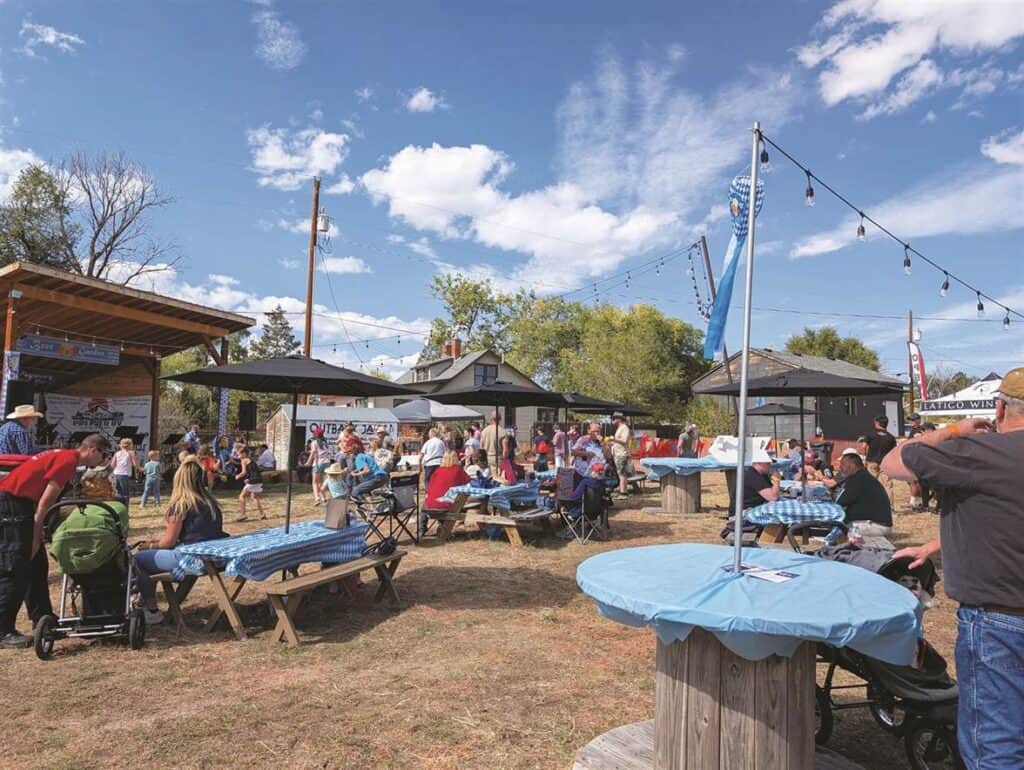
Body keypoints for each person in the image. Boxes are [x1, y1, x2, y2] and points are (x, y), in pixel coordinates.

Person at [881, 367, 1024, 769]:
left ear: (999, 408)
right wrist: (940, 542)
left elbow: (892, 463)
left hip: (1001, 622)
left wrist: (951, 430)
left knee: (996, 744)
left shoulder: (980, 453)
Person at [0, 433, 110, 649]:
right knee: (17, 566)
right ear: (93, 450)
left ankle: (43, 618)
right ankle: (3, 631)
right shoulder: (68, 461)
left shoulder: (65, 456)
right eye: (103, 456)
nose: (103, 461)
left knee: (36, 565)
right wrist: (36, 533)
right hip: (12, 503)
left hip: (20, 503)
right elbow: (45, 503)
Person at [133, 456, 227, 625]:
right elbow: (197, 533)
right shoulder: (211, 503)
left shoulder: (181, 505)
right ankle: (144, 600)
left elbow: (168, 543)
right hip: (212, 556)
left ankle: (151, 608)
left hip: (190, 559)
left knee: (139, 560)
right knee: (152, 556)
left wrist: (150, 545)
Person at [833, 452, 892, 536]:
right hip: (875, 524)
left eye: (843, 464)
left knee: (836, 528)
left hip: (876, 526)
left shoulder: (858, 480)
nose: (840, 467)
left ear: (852, 465)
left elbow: (839, 503)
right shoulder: (862, 476)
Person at [423, 451, 471, 527]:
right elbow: (468, 481)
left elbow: (429, 488)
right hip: (447, 504)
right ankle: (445, 526)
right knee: (461, 499)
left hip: (431, 505)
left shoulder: (437, 471)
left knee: (426, 501)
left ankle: (421, 528)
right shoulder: (458, 470)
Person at [858, 415, 897, 507]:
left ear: (877, 423)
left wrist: (864, 458)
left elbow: (863, 447)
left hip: (872, 462)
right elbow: (894, 452)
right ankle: (890, 508)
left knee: (870, 485)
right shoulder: (891, 437)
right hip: (885, 464)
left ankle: (869, 506)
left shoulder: (871, 434)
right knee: (887, 486)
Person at [234, 446, 266, 521]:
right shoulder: (251, 460)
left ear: (244, 454)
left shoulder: (244, 460)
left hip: (253, 480)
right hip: (259, 480)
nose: (238, 456)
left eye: (239, 454)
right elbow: (253, 471)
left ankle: (243, 514)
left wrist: (238, 476)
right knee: (254, 497)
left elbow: (244, 472)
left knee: (241, 496)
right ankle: (262, 514)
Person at [112, 438, 142, 504]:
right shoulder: (131, 453)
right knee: (125, 494)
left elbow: (112, 465)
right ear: (130, 445)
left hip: (115, 474)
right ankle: (125, 509)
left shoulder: (117, 453)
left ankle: (118, 508)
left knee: (118, 493)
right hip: (124, 475)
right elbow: (135, 464)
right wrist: (141, 469)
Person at [306, 427, 331, 506]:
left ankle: (317, 498)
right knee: (321, 481)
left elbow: (313, 453)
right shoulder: (325, 441)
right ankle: (324, 498)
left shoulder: (314, 442)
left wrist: (308, 462)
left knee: (315, 482)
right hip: (326, 462)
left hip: (318, 463)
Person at [610, 413, 632, 497]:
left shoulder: (624, 428)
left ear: (619, 419)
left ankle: (623, 493)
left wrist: (613, 438)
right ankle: (623, 491)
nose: (612, 421)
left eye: (614, 419)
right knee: (621, 473)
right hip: (617, 453)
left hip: (621, 454)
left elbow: (624, 440)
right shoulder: (620, 428)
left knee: (621, 474)